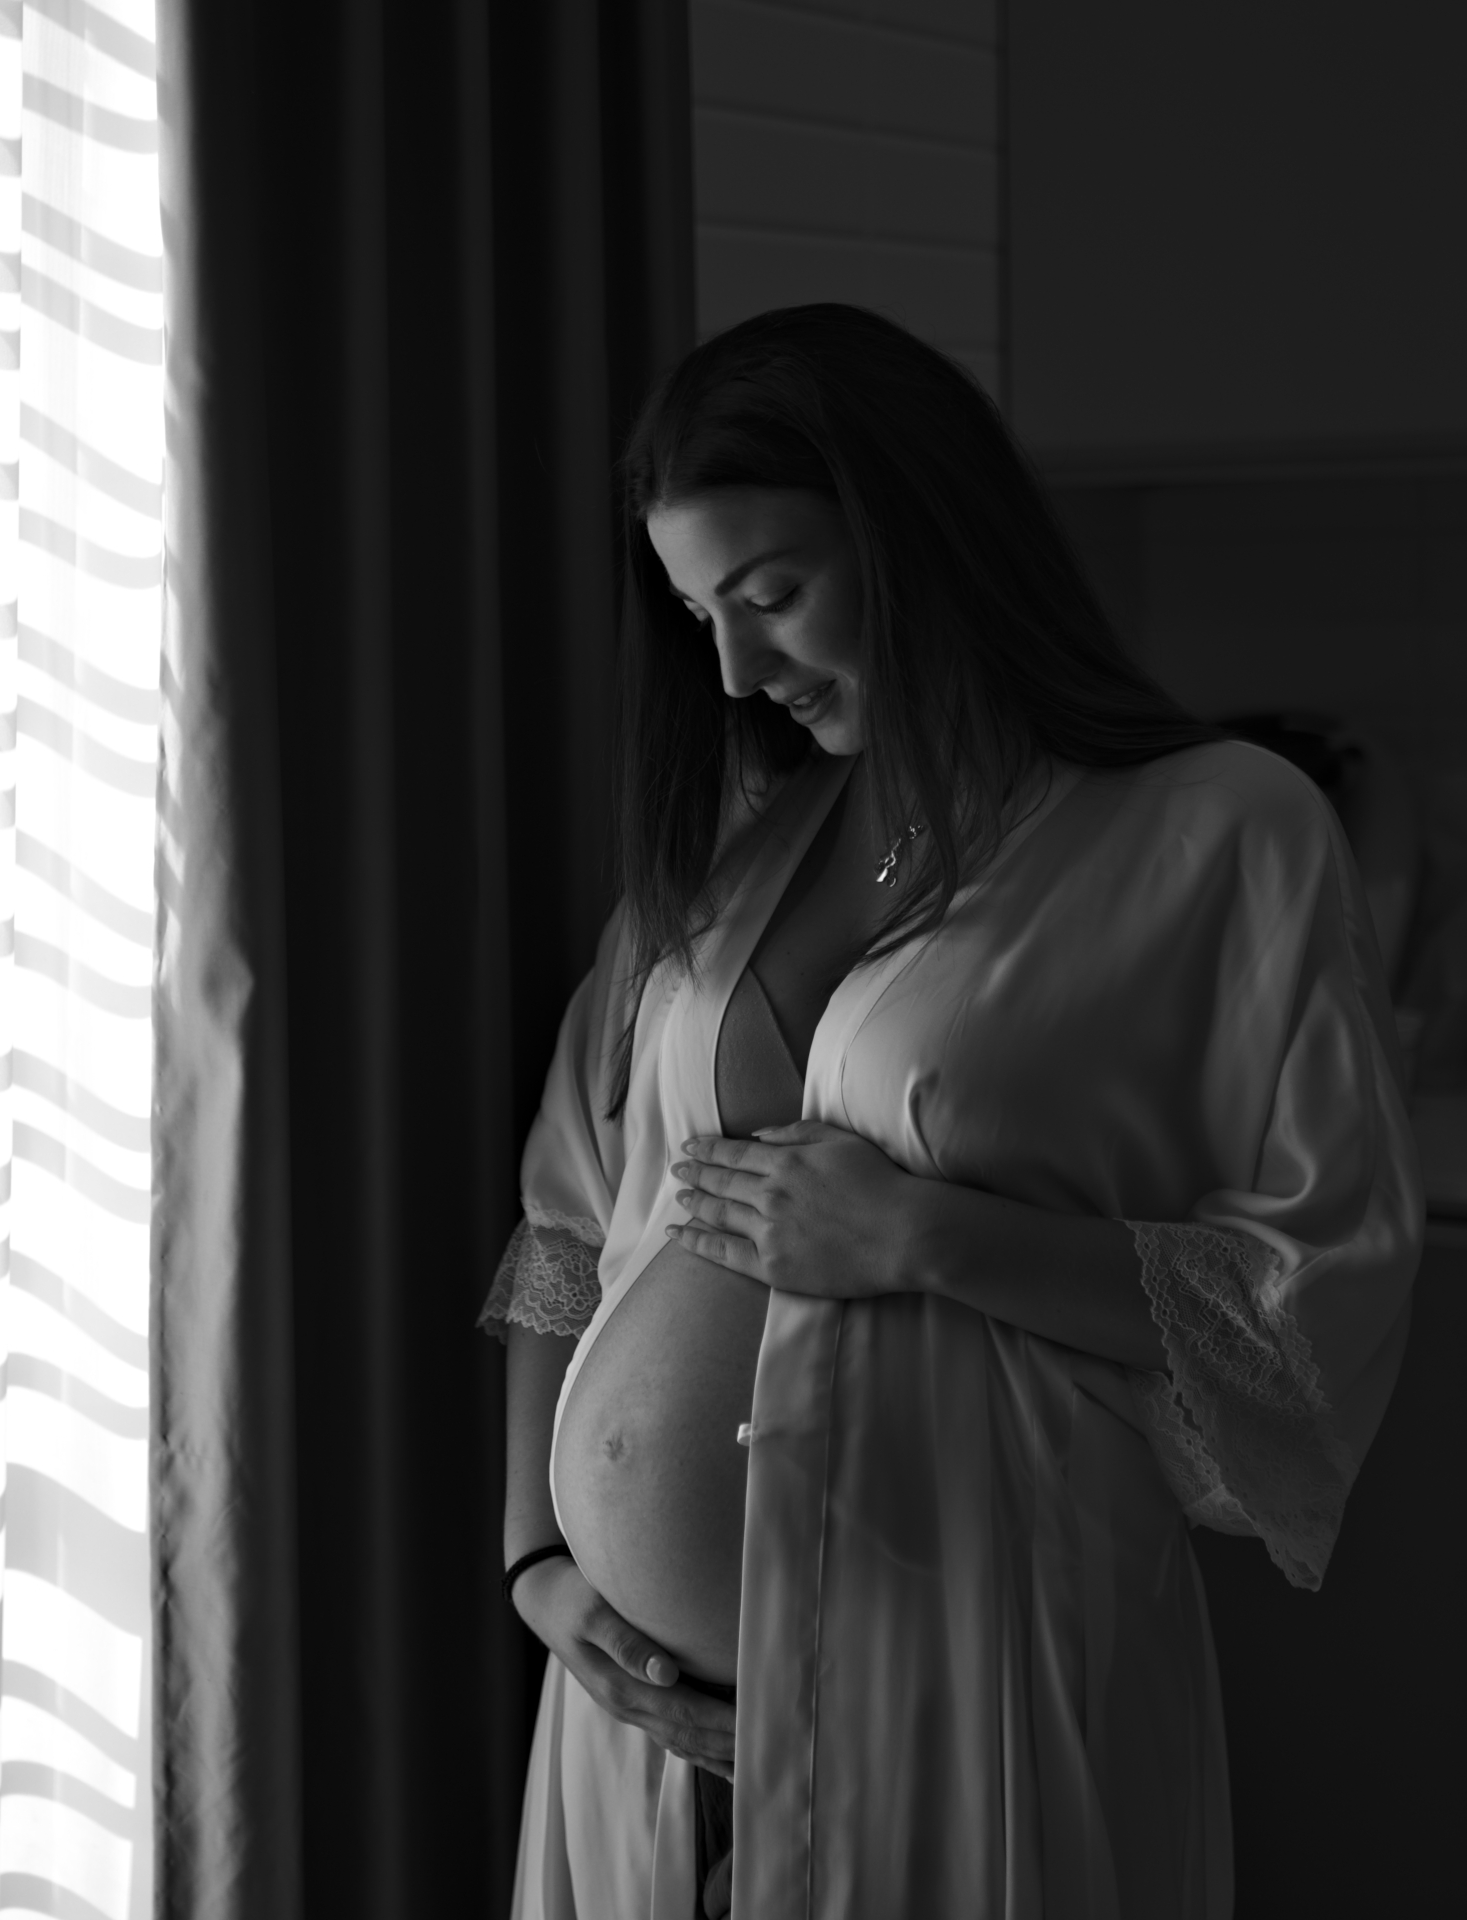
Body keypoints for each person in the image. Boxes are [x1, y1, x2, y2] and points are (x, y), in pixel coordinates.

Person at [477, 304, 1423, 1920]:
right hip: (637, 1722)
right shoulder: (732, 853)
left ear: (916, 529)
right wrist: (542, 1565)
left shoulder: (1217, 833)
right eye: (699, 614)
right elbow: (568, 1226)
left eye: (771, 593)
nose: (736, 669)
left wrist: (928, 1236)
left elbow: (1308, 1305)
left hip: (982, 1663)